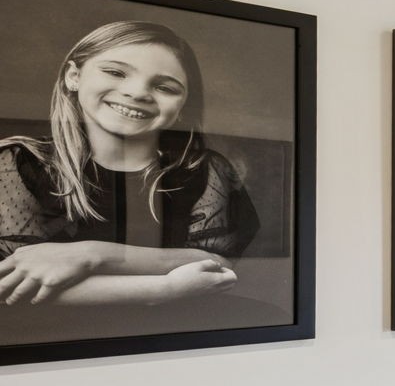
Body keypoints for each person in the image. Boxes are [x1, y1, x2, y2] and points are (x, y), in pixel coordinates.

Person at [0, 20, 256, 308]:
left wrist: (91, 255)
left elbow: (214, 264)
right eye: (114, 72)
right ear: (73, 76)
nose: (137, 92)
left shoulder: (204, 169)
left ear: (183, 105)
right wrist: (165, 288)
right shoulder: (17, 161)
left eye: (165, 86)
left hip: (177, 334)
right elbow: (15, 284)